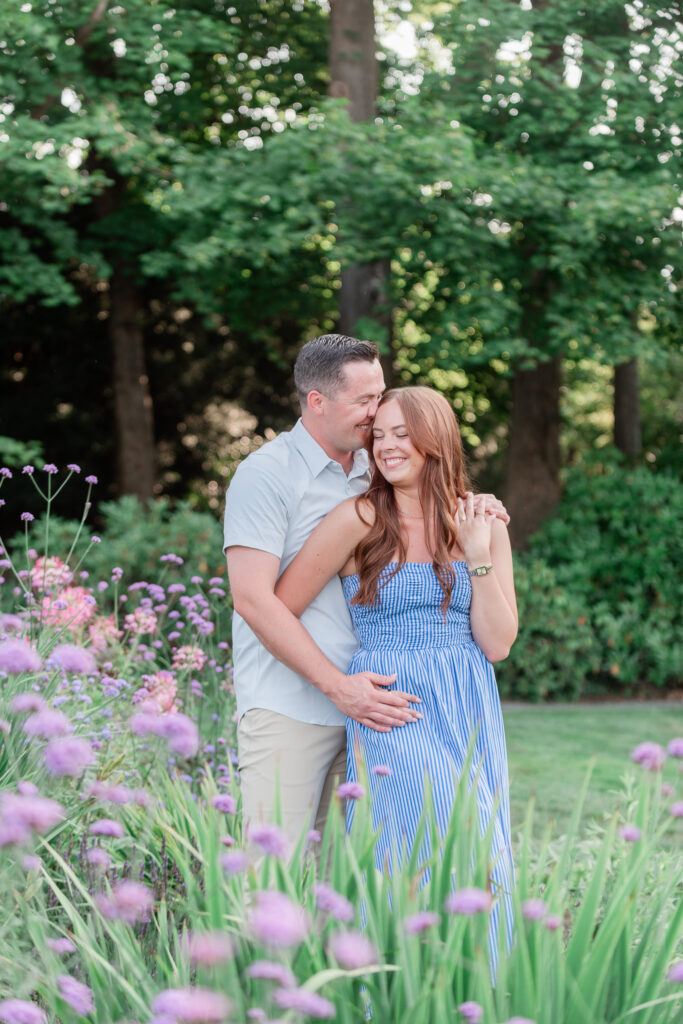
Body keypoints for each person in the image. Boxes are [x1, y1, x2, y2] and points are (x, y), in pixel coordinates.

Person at [224, 335, 508, 853]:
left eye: (380, 399)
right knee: (272, 879)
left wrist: (475, 521)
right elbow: (255, 601)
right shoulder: (266, 475)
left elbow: (430, 492)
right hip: (295, 704)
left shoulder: (368, 471)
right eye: (366, 403)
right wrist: (338, 685)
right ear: (318, 401)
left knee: (353, 888)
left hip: (375, 706)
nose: (376, 416)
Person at [275, 386, 516, 951]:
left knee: (480, 844)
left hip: (468, 702)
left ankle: (473, 989)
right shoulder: (358, 517)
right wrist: (337, 682)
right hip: (392, 703)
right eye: (378, 435)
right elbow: (280, 605)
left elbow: (499, 643)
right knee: (414, 836)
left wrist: (478, 554)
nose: (385, 446)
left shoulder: (483, 521)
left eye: (401, 434)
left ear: (437, 439)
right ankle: (390, 987)